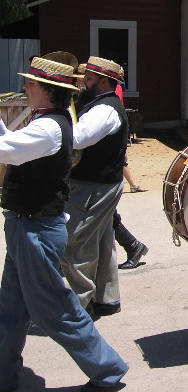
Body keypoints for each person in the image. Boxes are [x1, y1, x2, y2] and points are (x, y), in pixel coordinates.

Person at [0, 57, 128, 390]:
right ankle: (4, 374)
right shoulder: (43, 119)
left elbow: (7, 150)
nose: (25, 86)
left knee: (55, 310)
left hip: (36, 228)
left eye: (31, 83)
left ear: (48, 90)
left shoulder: (49, 126)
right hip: (26, 225)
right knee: (11, 309)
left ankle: (108, 370)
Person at [61, 56, 129, 319]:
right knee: (102, 241)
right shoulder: (99, 104)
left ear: (103, 81)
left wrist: (65, 105)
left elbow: (77, 139)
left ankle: (79, 305)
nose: (83, 82)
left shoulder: (106, 108)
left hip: (94, 186)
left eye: (88, 79)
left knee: (76, 242)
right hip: (97, 184)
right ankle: (107, 299)